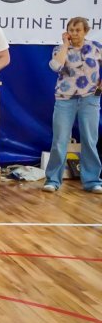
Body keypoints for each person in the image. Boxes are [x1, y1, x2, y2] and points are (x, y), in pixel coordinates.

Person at [42, 17, 102, 194]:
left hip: (90, 98)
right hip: (65, 98)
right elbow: (55, 66)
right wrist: (65, 45)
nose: (74, 33)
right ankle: (53, 180)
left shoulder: (96, 47)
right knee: (60, 140)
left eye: (78, 30)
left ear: (86, 31)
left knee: (89, 140)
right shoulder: (59, 49)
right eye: (71, 30)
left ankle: (92, 181)